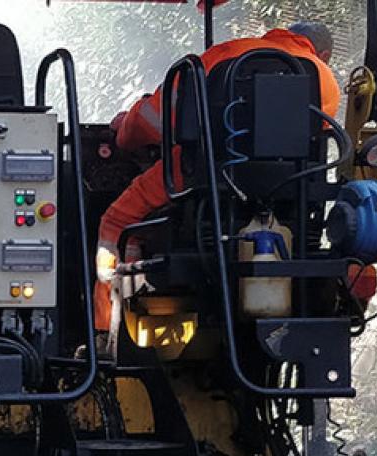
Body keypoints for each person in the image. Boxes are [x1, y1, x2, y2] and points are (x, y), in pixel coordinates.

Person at [95, 22, 341, 331]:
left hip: (203, 181)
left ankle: (105, 331)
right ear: (325, 53)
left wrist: (123, 135)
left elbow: (152, 122)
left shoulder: (227, 54)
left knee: (116, 224)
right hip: (289, 197)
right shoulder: (324, 80)